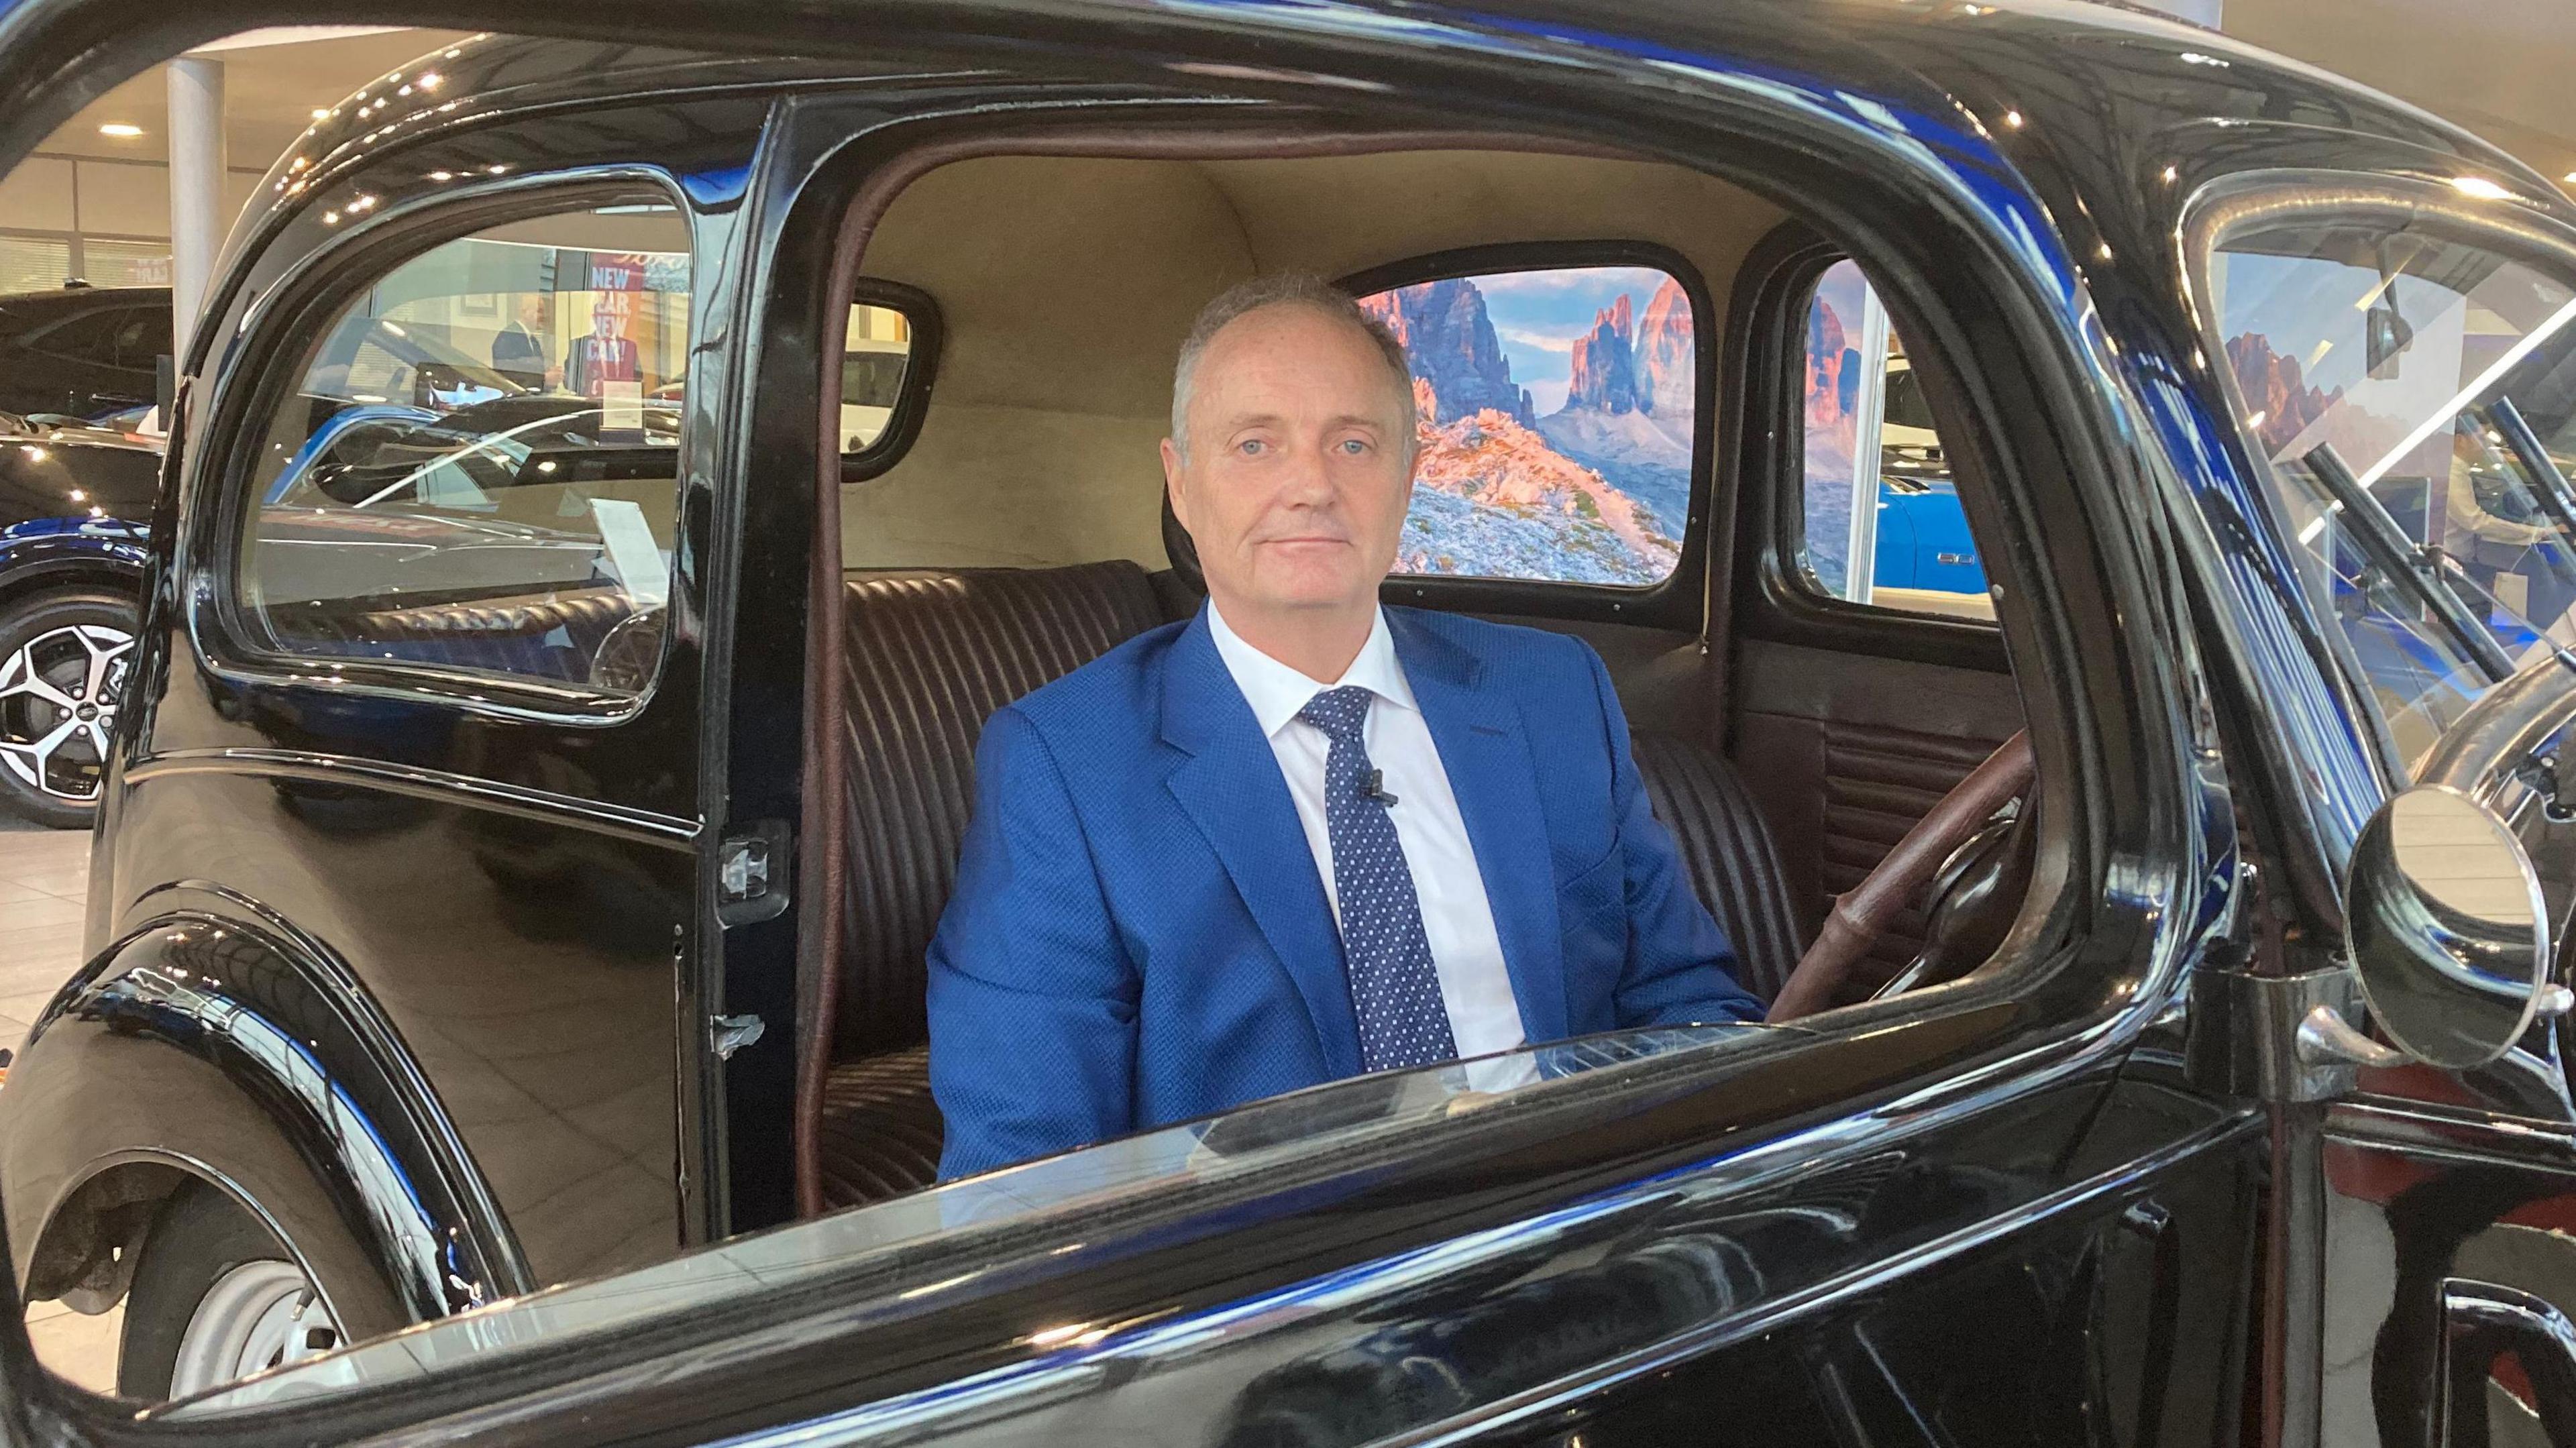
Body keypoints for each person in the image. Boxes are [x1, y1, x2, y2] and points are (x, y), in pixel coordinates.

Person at [926, 274, 1762, 1180]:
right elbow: (1023, 1176)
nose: (1311, 486)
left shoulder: (1553, 693)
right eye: (1255, 443)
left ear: (1409, 477)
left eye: (1354, 443)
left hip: (1572, 1232)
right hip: (1272, 1290)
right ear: (1181, 480)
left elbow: (1688, 1006)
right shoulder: (1064, 766)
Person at [564, 299, 639, 399]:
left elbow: (638, 379)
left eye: (611, 317)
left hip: (621, 406)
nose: (607, 321)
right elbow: (569, 381)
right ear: (595, 318)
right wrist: (594, 385)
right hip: (590, 405)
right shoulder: (580, 344)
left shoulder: (630, 347)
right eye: (602, 316)